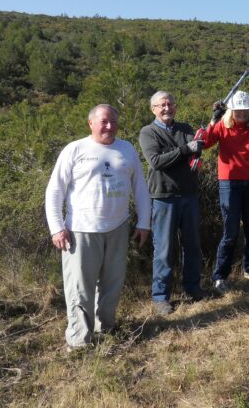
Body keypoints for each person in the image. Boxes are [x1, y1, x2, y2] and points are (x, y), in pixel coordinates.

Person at [45, 104, 151, 350]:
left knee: (112, 283)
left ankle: (106, 328)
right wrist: (56, 227)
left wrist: (144, 222)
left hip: (118, 227)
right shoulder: (75, 149)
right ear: (91, 123)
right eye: (104, 121)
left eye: (113, 121)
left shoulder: (126, 149)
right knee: (80, 288)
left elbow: (140, 188)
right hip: (81, 230)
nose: (109, 126)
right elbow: (55, 190)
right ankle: (79, 341)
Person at [138, 91, 205, 316]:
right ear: (153, 109)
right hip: (163, 197)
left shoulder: (185, 129)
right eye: (162, 105)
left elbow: (195, 150)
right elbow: (156, 161)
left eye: (170, 104)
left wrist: (182, 152)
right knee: (164, 249)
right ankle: (160, 297)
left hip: (189, 194)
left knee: (192, 245)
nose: (167, 108)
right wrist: (184, 150)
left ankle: (192, 288)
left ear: (175, 107)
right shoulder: (148, 132)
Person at [204, 90, 249, 295]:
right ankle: (220, 276)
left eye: (245, 111)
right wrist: (213, 120)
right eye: (238, 111)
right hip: (229, 183)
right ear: (231, 110)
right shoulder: (223, 125)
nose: (242, 114)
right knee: (230, 233)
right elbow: (205, 143)